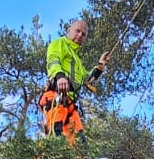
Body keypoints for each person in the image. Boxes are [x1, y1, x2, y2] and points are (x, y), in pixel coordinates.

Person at [39, 17, 110, 149]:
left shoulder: (77, 61)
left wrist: (101, 65)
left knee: (80, 143)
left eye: (83, 34)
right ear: (68, 30)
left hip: (70, 104)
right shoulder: (60, 43)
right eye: (77, 31)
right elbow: (53, 60)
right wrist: (59, 76)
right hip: (56, 97)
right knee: (56, 134)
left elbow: (88, 80)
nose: (80, 35)